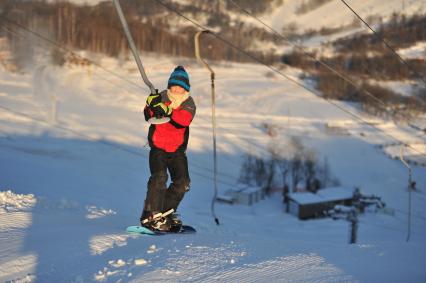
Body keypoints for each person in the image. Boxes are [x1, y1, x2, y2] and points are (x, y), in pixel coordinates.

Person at [140, 65, 196, 232]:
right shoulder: (161, 97)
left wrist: (167, 111)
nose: (177, 89)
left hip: (177, 151)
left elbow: (184, 121)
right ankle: (150, 214)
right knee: (159, 177)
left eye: (181, 86)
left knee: (183, 182)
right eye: (174, 85)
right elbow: (148, 115)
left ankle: (164, 212)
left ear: (186, 88)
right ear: (170, 85)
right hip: (158, 149)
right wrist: (151, 106)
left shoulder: (189, 103)